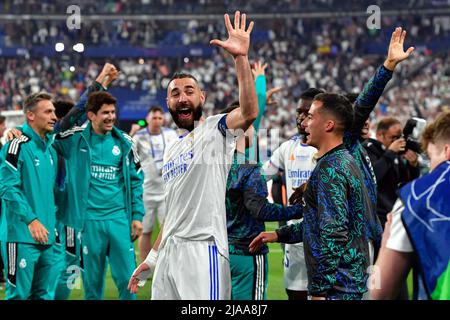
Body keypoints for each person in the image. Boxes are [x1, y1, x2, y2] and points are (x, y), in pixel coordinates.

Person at [128, 10, 258, 300]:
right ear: (168, 102)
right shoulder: (172, 148)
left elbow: (249, 111)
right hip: (169, 252)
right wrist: (150, 258)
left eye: (189, 91)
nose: (182, 97)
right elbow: (173, 211)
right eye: (175, 93)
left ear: (202, 98)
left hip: (204, 250)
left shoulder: (215, 130)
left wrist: (240, 59)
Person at [251, 93, 374, 300]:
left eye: (310, 116)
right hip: (346, 283)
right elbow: (318, 223)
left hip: (337, 289)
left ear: (328, 125)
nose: (304, 122)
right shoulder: (341, 160)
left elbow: (333, 236)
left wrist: (318, 291)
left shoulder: (330, 169)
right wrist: (279, 235)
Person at [52, 91, 144, 300]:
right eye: (105, 112)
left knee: (128, 282)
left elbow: (137, 180)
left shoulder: (125, 143)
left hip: (119, 220)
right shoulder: (74, 140)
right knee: (92, 287)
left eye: (113, 112)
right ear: (91, 115)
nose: (111, 116)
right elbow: (48, 135)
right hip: (88, 223)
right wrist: (17, 131)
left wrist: (137, 216)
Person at [223, 103, 303, 300]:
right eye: (253, 125)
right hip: (247, 252)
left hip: (220, 252)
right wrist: (297, 210)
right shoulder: (249, 167)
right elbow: (260, 210)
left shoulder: (213, 165)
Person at [370, 111, 450, 300]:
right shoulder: (373, 151)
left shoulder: (415, 197)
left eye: (431, 156)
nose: (431, 167)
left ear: (447, 150)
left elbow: (377, 293)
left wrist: (385, 243)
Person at [262, 87, 324, 300]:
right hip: (295, 237)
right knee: (295, 294)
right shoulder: (287, 148)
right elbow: (261, 176)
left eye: (307, 112)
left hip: (324, 236)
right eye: (299, 111)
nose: (301, 117)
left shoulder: (333, 149)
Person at [0, 92, 60, 299]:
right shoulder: (15, 145)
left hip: (47, 237)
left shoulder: (51, 150)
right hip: (21, 236)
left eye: (54, 112)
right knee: (18, 295)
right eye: (48, 111)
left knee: (43, 295)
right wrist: (31, 220)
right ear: (30, 115)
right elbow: (8, 188)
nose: (54, 116)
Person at [131, 105, 178, 263]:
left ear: (163, 119)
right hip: (147, 192)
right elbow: (129, 155)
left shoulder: (171, 134)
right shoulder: (139, 136)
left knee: (168, 231)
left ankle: (167, 263)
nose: (157, 121)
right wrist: (131, 133)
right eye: (154, 118)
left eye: (159, 118)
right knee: (145, 231)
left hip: (167, 191)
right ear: (147, 119)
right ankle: (145, 266)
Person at [363, 117, 420, 226]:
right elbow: (372, 177)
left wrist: (413, 165)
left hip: (393, 213)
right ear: (380, 135)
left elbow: (407, 183)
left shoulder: (395, 154)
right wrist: (390, 152)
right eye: (393, 137)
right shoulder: (368, 149)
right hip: (375, 216)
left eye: (399, 137)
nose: (397, 141)